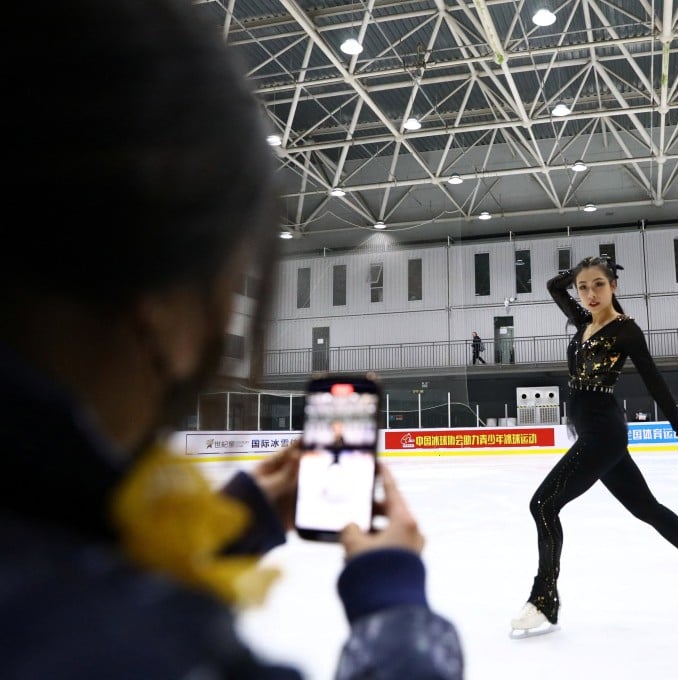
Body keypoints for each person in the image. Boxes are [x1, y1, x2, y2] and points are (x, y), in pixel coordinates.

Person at [0, 1, 462, 678]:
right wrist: (392, 607)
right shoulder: (136, 648)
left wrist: (220, 532)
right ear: (160, 309)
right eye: (230, 278)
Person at [510, 256, 678, 638]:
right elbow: (554, 288)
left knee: (543, 505)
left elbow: (655, 384)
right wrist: (577, 273)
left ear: (613, 286)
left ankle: (543, 599)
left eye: (598, 285)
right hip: (597, 433)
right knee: (646, 508)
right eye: (583, 287)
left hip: (602, 434)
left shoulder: (626, 331)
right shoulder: (583, 320)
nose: (589, 293)